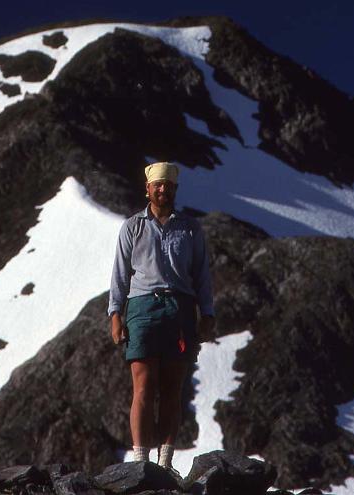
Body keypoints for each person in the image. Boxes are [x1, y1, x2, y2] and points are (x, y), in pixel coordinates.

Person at [108, 161, 215, 473]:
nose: (163, 189)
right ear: (148, 188)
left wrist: (207, 313)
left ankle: (165, 462)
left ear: (175, 188)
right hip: (142, 308)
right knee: (143, 385)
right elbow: (120, 274)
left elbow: (202, 274)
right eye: (158, 184)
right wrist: (115, 314)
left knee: (172, 387)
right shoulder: (132, 227)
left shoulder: (190, 229)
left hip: (180, 310)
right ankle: (141, 462)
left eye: (168, 185)